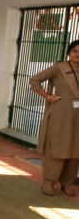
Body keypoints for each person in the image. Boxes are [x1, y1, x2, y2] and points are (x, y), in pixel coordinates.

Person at [29, 39, 79, 197]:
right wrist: (47, 96)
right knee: (57, 147)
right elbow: (35, 79)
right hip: (61, 115)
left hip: (77, 116)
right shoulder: (60, 68)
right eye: (75, 51)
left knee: (75, 150)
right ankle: (48, 182)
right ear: (69, 53)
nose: (78, 54)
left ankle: (67, 183)